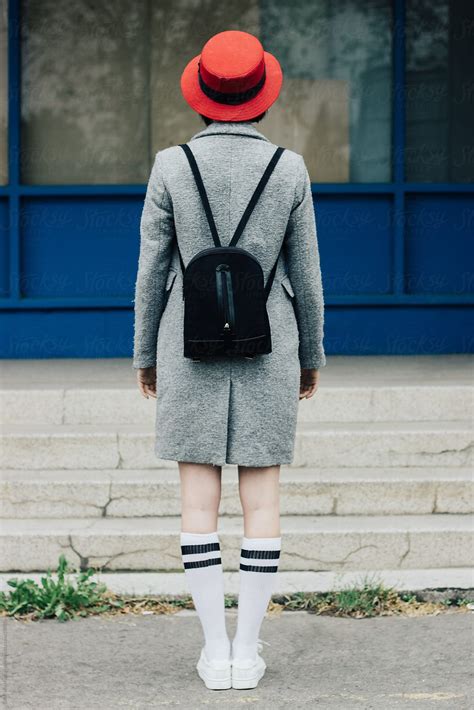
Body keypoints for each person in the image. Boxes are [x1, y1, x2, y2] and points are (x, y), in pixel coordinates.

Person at [132, 30, 325, 690]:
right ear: (261, 96)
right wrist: (312, 354)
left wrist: (143, 353)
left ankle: (215, 652)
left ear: (202, 96)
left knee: (197, 504)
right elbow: (308, 274)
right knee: (262, 502)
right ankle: (249, 649)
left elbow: (151, 271)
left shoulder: (169, 166)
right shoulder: (291, 169)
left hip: (186, 343)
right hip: (271, 342)